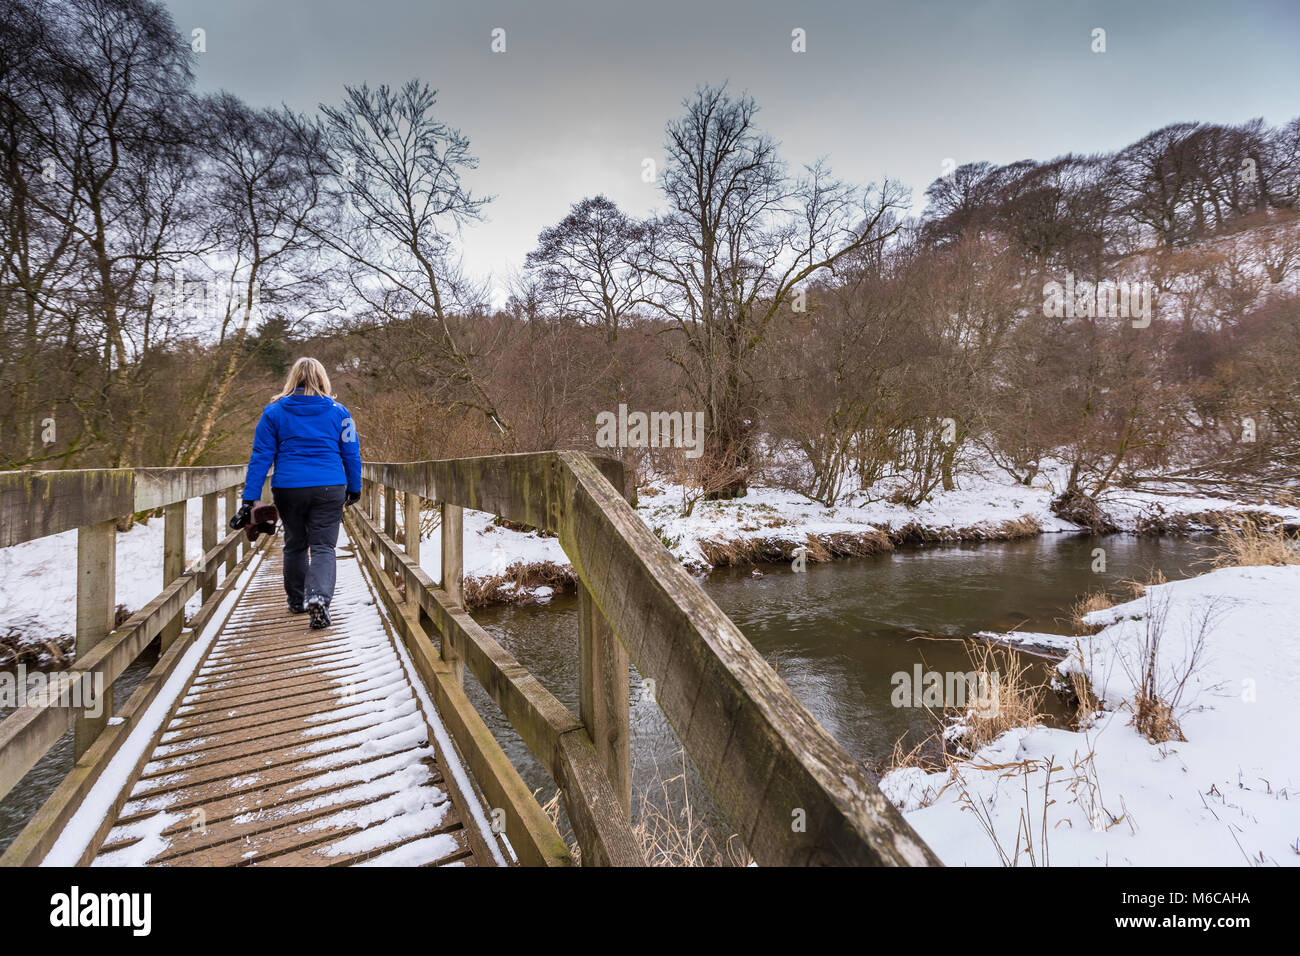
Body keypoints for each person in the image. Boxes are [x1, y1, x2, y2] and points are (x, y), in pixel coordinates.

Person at [232, 357, 362, 630]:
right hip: (329, 486)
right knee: (324, 547)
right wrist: (354, 487)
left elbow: (261, 456)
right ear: (322, 379)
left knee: (295, 544)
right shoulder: (340, 412)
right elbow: (351, 454)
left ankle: (297, 599)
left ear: (293, 379)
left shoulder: (274, 412)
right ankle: (319, 598)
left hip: (289, 487)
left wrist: (249, 497)